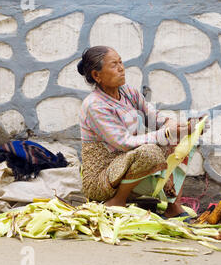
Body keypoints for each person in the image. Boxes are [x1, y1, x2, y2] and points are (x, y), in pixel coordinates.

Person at [78, 46, 200, 218]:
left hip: (128, 166)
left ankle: (173, 206)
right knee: (150, 151)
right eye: (114, 65)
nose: (121, 68)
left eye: (121, 62)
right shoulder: (95, 105)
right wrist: (166, 134)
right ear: (96, 75)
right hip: (102, 177)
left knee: (182, 142)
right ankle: (117, 200)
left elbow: (155, 118)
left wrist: (177, 126)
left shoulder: (127, 92)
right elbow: (124, 142)